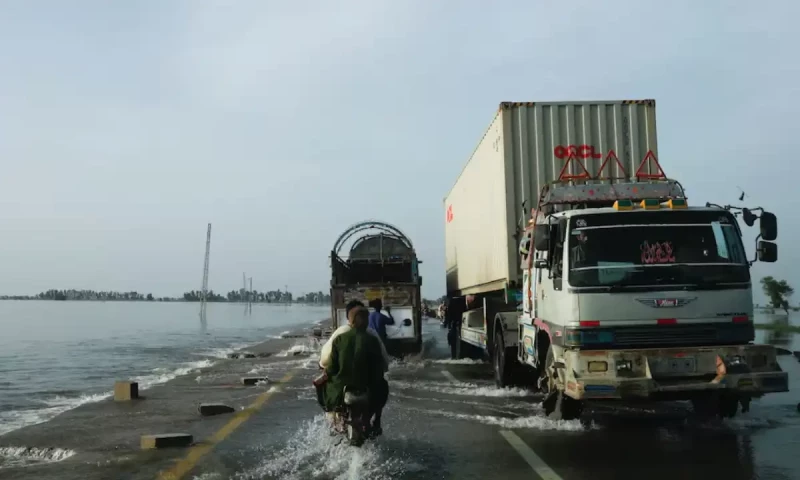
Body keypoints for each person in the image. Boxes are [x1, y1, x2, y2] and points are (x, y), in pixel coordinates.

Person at [321, 305, 390, 435]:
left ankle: (333, 421)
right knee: (383, 387)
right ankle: (377, 421)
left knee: (324, 389)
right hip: (367, 386)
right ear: (367, 321)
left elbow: (331, 368)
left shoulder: (339, 338)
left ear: (350, 320)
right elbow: (380, 366)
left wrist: (327, 373)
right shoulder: (373, 339)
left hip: (341, 387)